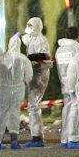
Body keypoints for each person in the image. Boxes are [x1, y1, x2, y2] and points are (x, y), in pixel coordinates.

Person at [0, 33, 32, 150]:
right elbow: (29, 76)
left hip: (3, 89)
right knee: (14, 114)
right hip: (18, 90)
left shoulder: (2, 58)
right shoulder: (23, 59)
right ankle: (14, 140)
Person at [21, 17, 53, 148]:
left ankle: (36, 137)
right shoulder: (31, 38)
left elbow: (44, 56)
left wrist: (27, 59)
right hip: (34, 75)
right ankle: (37, 135)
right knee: (34, 106)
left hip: (39, 76)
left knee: (34, 106)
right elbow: (24, 38)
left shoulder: (41, 40)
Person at [55, 26, 79, 149]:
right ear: (77, 36)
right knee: (75, 111)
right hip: (76, 83)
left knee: (67, 109)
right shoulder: (77, 49)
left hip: (64, 82)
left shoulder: (59, 50)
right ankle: (73, 138)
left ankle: (64, 139)